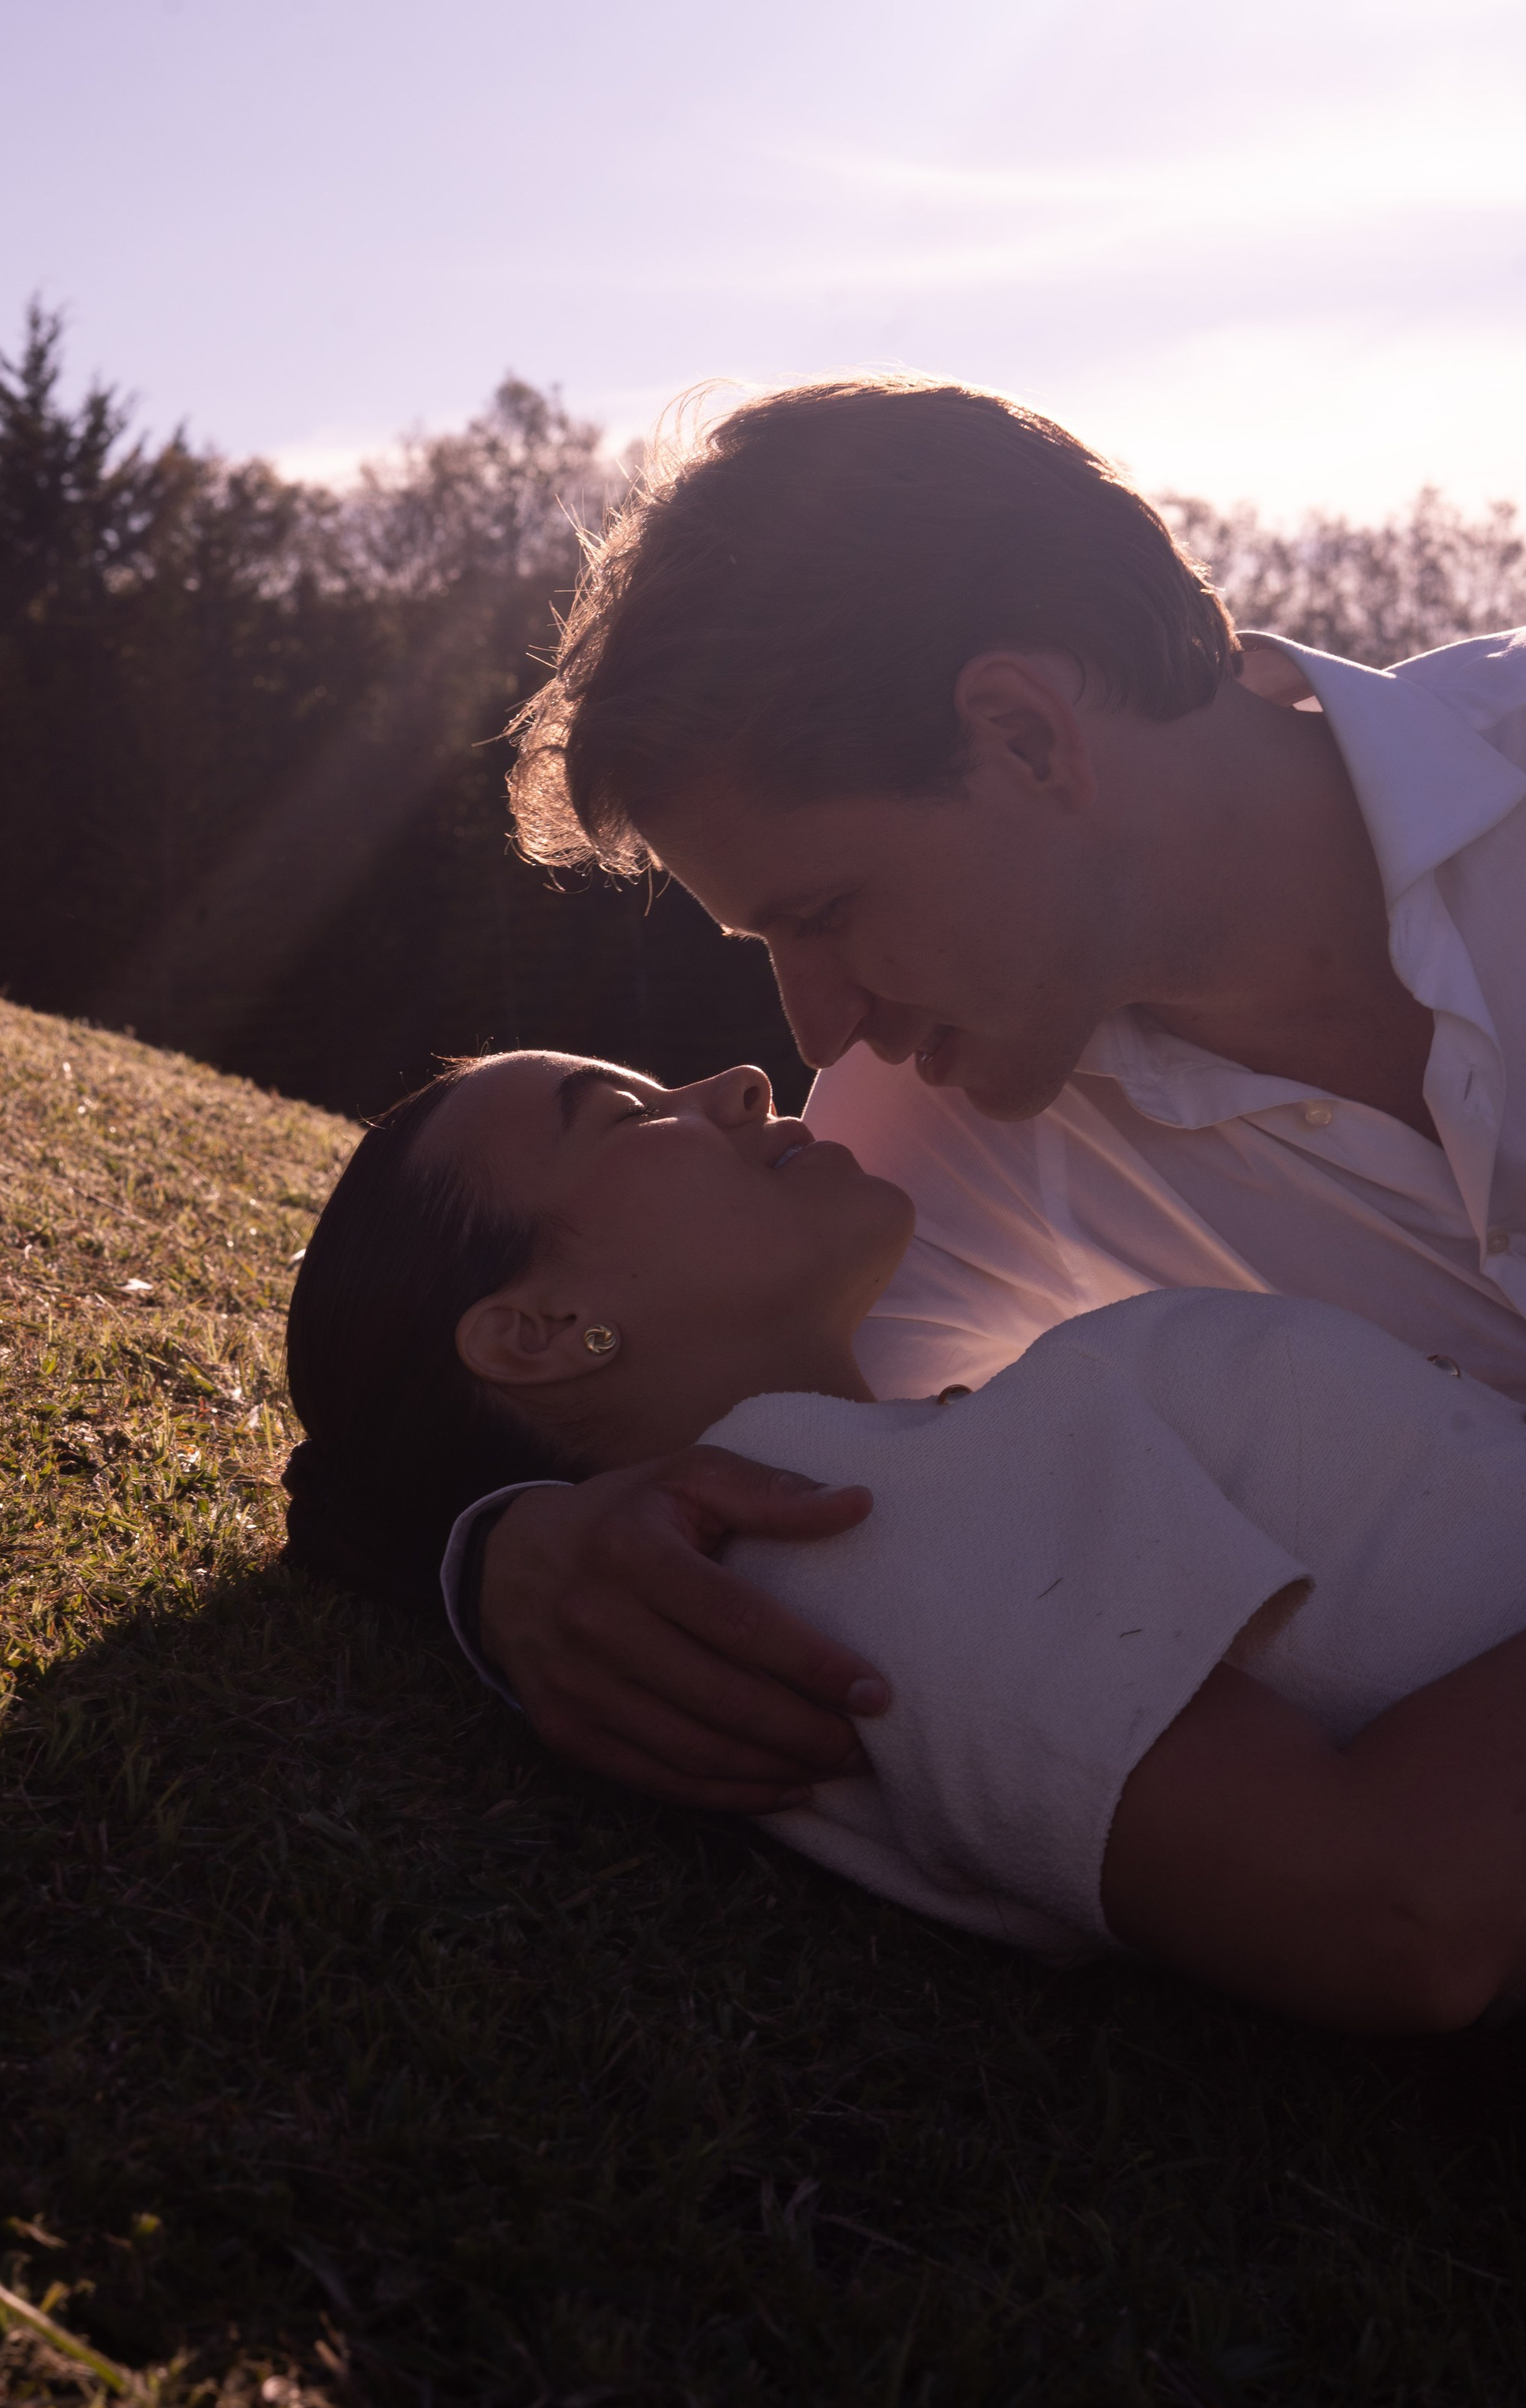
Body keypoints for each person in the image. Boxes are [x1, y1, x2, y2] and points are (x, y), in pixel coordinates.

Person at [442, 380, 1526, 1813]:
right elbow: (703, 1427)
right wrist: (504, 1554)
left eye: (824, 910)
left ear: (1023, 735)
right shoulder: (929, 1124)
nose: (816, 1024)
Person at [283, 1049, 1526, 2032]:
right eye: (621, 1112)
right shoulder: (824, 1546)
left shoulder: (884, 1470)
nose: (738, 1080)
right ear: (543, 1327)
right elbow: (1394, 1909)